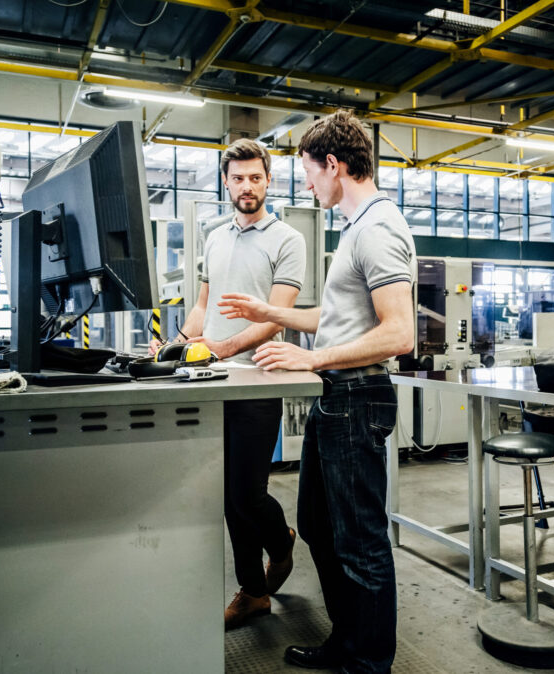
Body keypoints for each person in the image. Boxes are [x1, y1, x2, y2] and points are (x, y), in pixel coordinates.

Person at [218, 111, 416, 673]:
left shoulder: (377, 227)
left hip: (358, 398)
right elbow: (335, 317)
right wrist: (269, 311)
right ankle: (347, 641)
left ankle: (369, 661)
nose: (306, 185)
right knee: (320, 527)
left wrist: (312, 358)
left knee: (360, 542)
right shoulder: (355, 228)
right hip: (338, 399)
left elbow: (397, 333)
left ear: (334, 165)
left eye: (309, 173)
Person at [151, 138, 306, 630]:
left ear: (268, 181)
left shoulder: (288, 240)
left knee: (247, 493)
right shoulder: (215, 237)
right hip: (211, 380)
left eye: (255, 177)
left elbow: (274, 319)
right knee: (225, 495)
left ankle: (280, 543)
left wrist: (222, 349)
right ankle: (253, 590)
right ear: (226, 182)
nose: (247, 186)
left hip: (258, 379)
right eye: (238, 178)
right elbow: (202, 307)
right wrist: (174, 344)